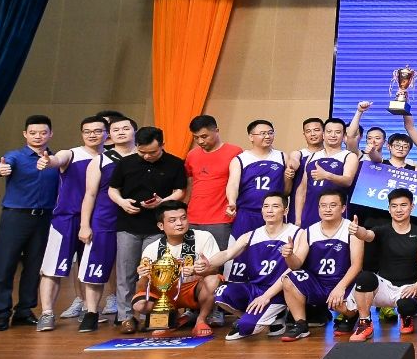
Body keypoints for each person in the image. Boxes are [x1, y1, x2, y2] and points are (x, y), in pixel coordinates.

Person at [108, 126, 189, 329]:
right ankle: (125, 316)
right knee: (126, 272)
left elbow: (180, 191)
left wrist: (163, 202)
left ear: (162, 145)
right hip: (128, 225)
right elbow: (113, 189)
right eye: (141, 151)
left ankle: (153, 315)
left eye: (152, 152)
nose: (146, 156)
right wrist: (122, 202)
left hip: (158, 228)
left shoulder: (175, 163)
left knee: (158, 272)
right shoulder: (126, 163)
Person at [0, 115, 61, 330]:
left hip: (45, 218)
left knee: (34, 267)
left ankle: (24, 310)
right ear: (25, 134)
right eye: (33, 133)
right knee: (5, 266)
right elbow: (0, 166)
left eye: (43, 132)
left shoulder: (55, 159)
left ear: (50, 134)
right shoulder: (16, 156)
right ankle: (1, 314)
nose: (38, 136)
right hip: (16, 217)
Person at [36, 114, 106, 331]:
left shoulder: (111, 157)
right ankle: (47, 313)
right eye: (87, 131)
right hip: (66, 219)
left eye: (97, 131)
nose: (92, 135)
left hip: (98, 220)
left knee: (90, 268)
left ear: (106, 134)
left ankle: (88, 309)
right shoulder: (71, 154)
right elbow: (57, 159)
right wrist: (49, 161)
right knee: (53, 269)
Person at [203, 192, 296, 340]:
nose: (269, 210)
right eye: (266, 206)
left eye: (275, 206)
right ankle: (254, 316)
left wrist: (266, 296)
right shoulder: (251, 235)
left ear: (285, 211)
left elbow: (295, 268)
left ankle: (271, 315)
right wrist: (208, 263)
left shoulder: (296, 233)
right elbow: (227, 254)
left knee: (245, 328)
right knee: (221, 292)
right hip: (254, 288)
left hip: (278, 292)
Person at [75, 114, 137, 331]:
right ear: (109, 135)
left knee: (129, 271)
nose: (121, 132)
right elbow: (90, 194)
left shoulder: (144, 156)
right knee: (96, 268)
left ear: (135, 131)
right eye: (115, 129)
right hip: (104, 220)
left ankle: (125, 313)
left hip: (135, 221)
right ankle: (91, 312)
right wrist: (85, 225)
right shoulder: (100, 160)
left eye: (125, 128)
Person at [277, 190, 363, 342]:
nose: (327, 209)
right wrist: (289, 255)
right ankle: (301, 324)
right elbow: (296, 265)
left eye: (333, 205)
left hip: (344, 282)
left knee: (341, 306)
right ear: (318, 208)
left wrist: (340, 287)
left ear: (343, 208)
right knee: (289, 278)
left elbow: (357, 265)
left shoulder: (352, 229)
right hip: (318, 283)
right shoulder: (309, 231)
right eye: (323, 205)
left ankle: (351, 315)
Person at [130, 200, 221, 337]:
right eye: (172, 220)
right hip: (166, 293)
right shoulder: (152, 248)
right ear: (161, 225)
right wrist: (143, 275)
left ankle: (201, 320)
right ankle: (170, 319)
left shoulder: (204, 237)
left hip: (193, 290)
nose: (180, 223)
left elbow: (216, 270)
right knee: (140, 304)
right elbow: (141, 287)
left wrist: (200, 270)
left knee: (213, 280)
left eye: (183, 218)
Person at [345, 187, 417, 339]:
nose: (398, 210)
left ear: (412, 207)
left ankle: (406, 317)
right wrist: (357, 230)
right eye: (394, 206)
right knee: (364, 278)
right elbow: (367, 235)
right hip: (383, 287)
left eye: (403, 205)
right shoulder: (382, 230)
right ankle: (365, 322)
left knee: (407, 306)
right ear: (389, 209)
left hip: (407, 289)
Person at [225, 120, 290, 240]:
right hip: (247, 213)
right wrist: (232, 201)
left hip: (274, 214)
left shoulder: (282, 156)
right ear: (251, 137)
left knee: (274, 248)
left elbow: (287, 189)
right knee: (240, 248)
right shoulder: (240, 159)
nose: (267, 136)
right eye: (263, 133)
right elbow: (233, 184)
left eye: (270, 133)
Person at [185, 115, 241, 248]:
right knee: (190, 257)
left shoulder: (235, 152)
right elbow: (189, 184)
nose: (200, 141)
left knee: (218, 258)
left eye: (204, 136)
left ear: (216, 131)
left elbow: (238, 184)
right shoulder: (192, 155)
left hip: (220, 219)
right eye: (196, 137)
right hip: (192, 217)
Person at [296, 118, 360, 231]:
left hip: (335, 212)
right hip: (310, 211)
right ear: (323, 135)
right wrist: (298, 218)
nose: (333, 135)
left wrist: (327, 175)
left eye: (338, 132)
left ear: (344, 136)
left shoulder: (349, 156)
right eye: (329, 132)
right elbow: (302, 189)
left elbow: (348, 181)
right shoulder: (312, 156)